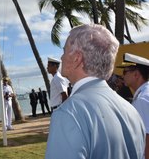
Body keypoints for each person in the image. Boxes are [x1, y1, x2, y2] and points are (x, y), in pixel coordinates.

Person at [45, 24, 145, 159]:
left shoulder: (69, 113)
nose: (61, 58)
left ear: (77, 58)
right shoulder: (131, 109)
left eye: (64, 51)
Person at [120, 53, 149, 159]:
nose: (123, 76)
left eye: (125, 72)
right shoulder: (145, 93)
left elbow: (147, 137)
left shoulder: (142, 99)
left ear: (136, 74)